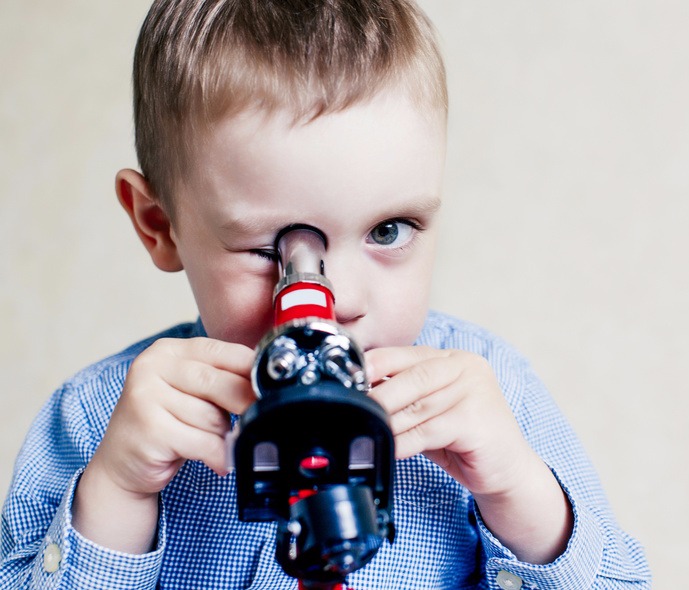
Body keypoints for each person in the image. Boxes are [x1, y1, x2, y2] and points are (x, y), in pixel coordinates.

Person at [1, 1, 651, 588]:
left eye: (389, 231)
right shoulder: (96, 422)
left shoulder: (495, 401)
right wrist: (115, 497)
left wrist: (520, 499)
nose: (334, 302)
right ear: (160, 224)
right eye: (271, 251)